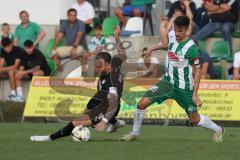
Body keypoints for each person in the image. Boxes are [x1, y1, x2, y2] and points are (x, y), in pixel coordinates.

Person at [121, 16, 224, 142]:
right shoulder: (173, 38)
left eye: (180, 31)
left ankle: (218, 129)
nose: (177, 33)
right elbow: (167, 45)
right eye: (175, 30)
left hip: (183, 87)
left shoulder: (191, 48)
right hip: (167, 82)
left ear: (186, 30)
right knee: (141, 104)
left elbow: (197, 71)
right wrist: (152, 49)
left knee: (194, 119)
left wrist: (195, 94)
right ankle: (134, 134)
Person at [30, 26, 126, 142]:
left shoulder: (112, 81)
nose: (96, 69)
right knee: (86, 111)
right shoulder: (115, 61)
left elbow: (113, 103)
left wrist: (104, 121)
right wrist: (116, 36)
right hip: (100, 96)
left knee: (76, 122)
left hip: (108, 105)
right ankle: (116, 123)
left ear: (107, 65)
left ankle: (49, 138)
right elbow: (122, 52)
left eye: (99, 67)